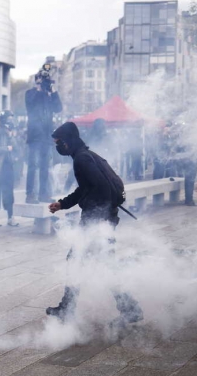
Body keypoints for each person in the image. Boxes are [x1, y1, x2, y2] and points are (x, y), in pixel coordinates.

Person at [47, 122, 143, 326]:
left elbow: (100, 188)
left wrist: (98, 217)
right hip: (103, 218)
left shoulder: (82, 159)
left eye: (59, 143)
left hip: (97, 219)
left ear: (67, 141)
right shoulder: (88, 155)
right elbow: (86, 188)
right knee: (99, 262)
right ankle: (127, 308)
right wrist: (63, 203)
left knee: (78, 260)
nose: (58, 147)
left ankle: (69, 308)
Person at [25, 67, 62, 203]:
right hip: (35, 135)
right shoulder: (30, 93)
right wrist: (39, 88)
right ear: (36, 82)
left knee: (45, 167)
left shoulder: (49, 96)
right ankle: (30, 195)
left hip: (47, 136)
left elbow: (58, 108)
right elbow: (30, 103)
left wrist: (53, 91)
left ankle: (43, 194)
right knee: (33, 165)